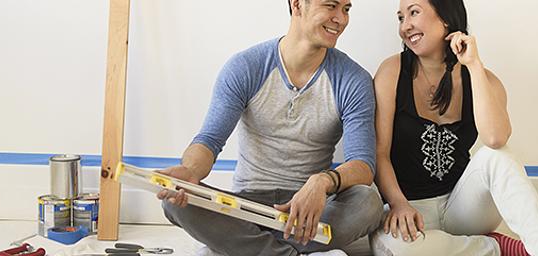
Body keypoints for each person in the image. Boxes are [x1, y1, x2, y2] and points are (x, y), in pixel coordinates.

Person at [157, 0, 383, 255]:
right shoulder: (246, 66)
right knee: (175, 200)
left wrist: (322, 181)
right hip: (245, 206)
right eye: (330, 6)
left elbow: (363, 165)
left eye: (346, 9)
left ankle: (239, 246)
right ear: (297, 4)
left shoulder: (353, 80)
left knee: (368, 202)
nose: (340, 19)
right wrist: (189, 171)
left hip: (307, 209)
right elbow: (210, 140)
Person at [369, 0, 538, 255]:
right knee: (390, 247)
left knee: (498, 157)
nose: (405, 26)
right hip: (411, 209)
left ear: (445, 18)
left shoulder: (481, 78)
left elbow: (496, 139)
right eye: (400, 17)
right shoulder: (392, 71)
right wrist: (398, 204)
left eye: (414, 12)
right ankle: (494, 247)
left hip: (464, 208)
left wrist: (473, 65)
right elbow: (380, 153)